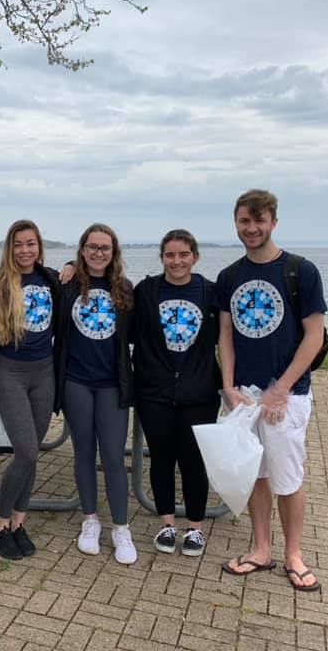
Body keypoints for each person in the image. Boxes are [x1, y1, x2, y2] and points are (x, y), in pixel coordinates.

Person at [217, 189, 328, 592]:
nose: (251, 228)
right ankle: (261, 549)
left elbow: (314, 336)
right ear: (236, 223)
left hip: (287, 396)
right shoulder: (230, 276)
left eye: (259, 220)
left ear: (273, 223)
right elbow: (226, 335)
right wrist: (228, 387)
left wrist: (281, 389)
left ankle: (293, 555)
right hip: (244, 397)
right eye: (244, 221)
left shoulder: (300, 271)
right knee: (256, 475)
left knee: (288, 477)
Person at [133, 229, 221, 558]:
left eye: (183, 254)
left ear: (194, 257)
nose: (177, 261)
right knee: (162, 458)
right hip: (155, 392)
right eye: (170, 255)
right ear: (162, 258)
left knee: (193, 461)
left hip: (200, 393)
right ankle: (167, 524)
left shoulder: (211, 293)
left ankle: (195, 527)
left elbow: (229, 338)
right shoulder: (146, 292)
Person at [0, 219, 61, 560]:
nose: (25, 250)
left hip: (45, 372)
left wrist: (72, 265)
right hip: (10, 373)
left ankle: (18, 521)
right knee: (25, 451)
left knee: (33, 450)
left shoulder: (51, 279)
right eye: (18, 244)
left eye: (31, 243)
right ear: (9, 248)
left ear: (39, 246)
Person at [54, 223, 136, 564]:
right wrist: (66, 267)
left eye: (105, 248)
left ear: (113, 252)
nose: (98, 253)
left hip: (112, 385)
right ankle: (90, 520)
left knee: (114, 456)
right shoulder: (68, 285)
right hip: (76, 382)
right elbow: (37, 276)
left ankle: (121, 527)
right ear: (82, 250)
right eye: (92, 247)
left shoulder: (125, 288)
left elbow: (139, 334)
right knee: (84, 453)